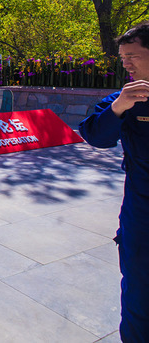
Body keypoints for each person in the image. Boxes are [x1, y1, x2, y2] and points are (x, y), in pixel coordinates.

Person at [80, 20, 149, 342]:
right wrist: (120, 107)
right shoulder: (123, 99)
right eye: (123, 58)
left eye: (133, 56)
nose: (126, 64)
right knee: (139, 296)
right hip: (142, 211)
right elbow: (95, 135)